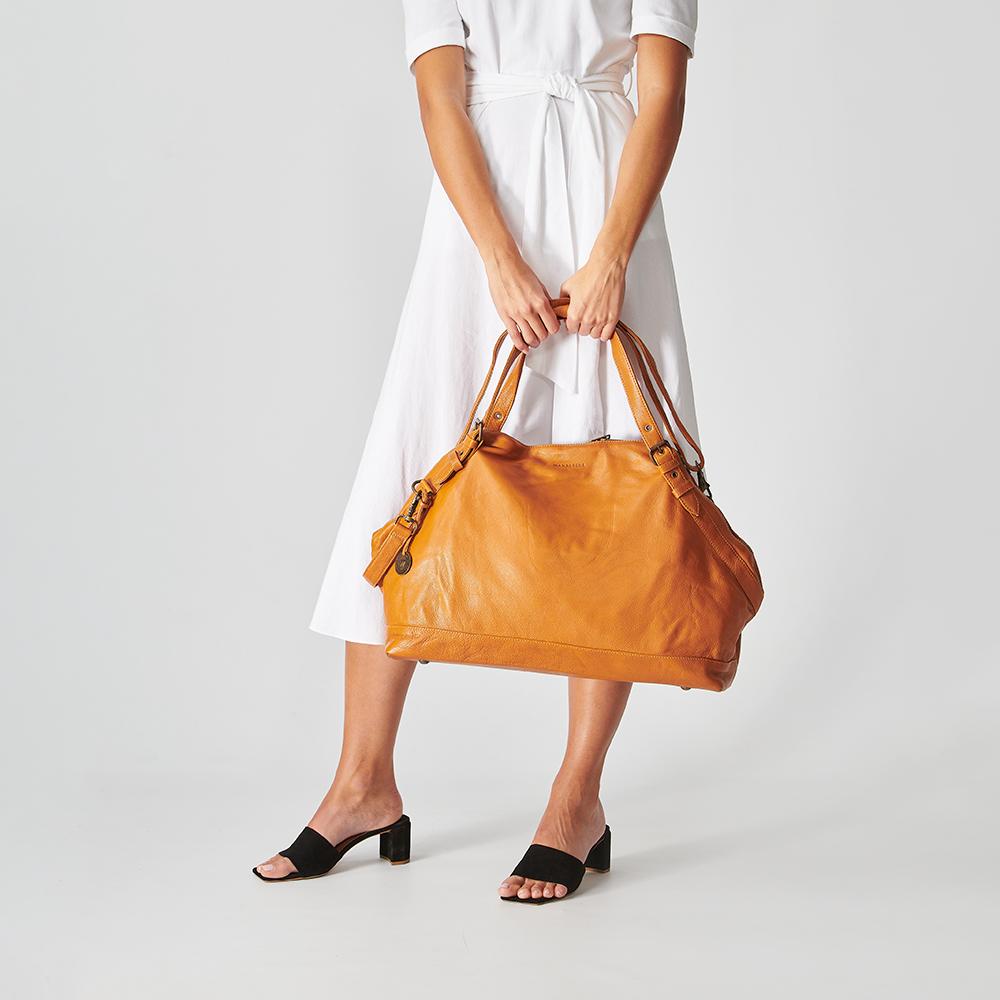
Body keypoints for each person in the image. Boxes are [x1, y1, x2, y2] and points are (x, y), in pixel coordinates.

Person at [254, 0, 702, 904]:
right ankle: (362, 785)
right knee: (413, 481)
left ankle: (576, 801)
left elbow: (660, 92)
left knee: (615, 504)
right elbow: (440, 94)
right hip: (477, 221)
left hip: (609, 206)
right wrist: (496, 256)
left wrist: (612, 255)